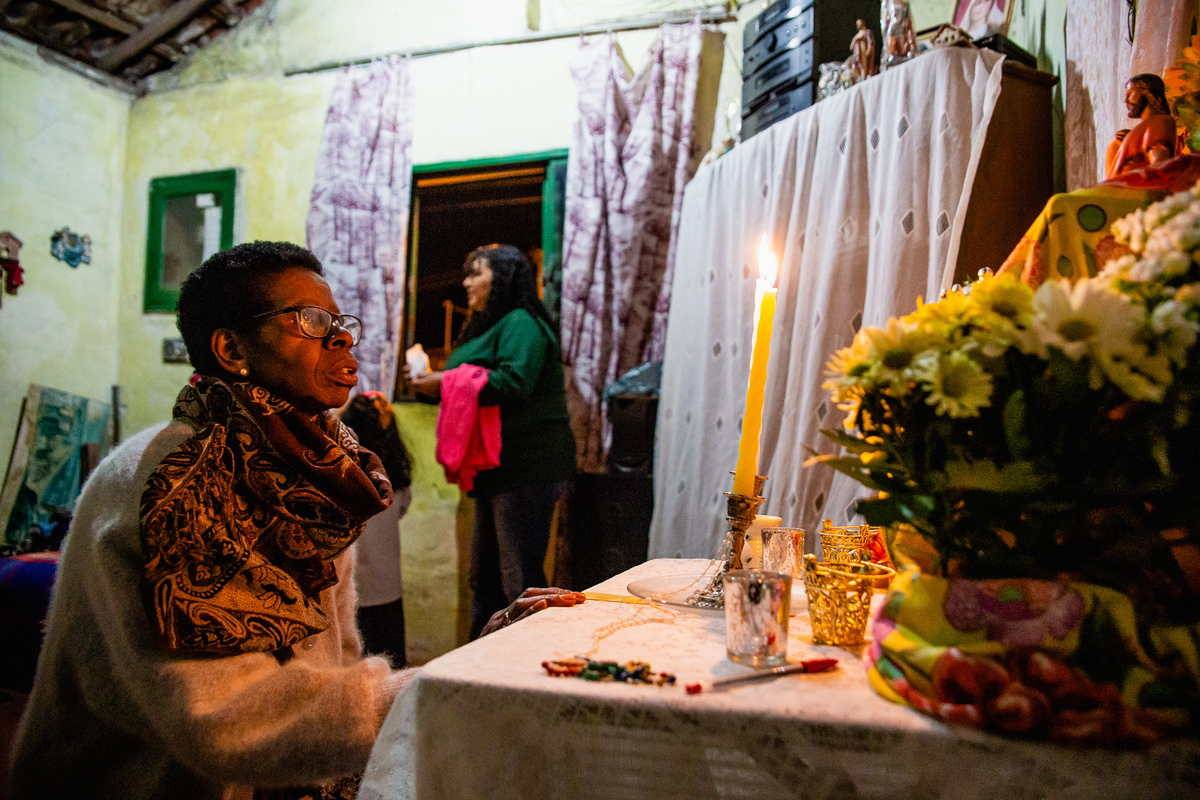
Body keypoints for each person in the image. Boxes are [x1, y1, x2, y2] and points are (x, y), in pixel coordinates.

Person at [9, 241, 583, 800]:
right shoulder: (176, 479)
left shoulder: (314, 477)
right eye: (310, 320)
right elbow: (233, 720)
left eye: (341, 322)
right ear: (232, 350)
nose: (342, 337)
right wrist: (452, 680)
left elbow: (333, 669)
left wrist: (474, 659)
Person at [408, 244, 576, 639]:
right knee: (483, 580)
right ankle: (479, 662)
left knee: (518, 581)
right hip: (494, 469)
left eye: (476, 273)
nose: (466, 282)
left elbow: (514, 382)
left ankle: (524, 664)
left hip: (526, 465)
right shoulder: (487, 327)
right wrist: (433, 383)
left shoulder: (520, 322)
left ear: (501, 278)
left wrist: (444, 381)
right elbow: (475, 382)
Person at [339, 391, 413, 667]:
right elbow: (402, 510)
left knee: (355, 664)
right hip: (388, 588)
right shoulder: (397, 483)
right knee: (391, 664)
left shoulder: (339, 481)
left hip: (352, 589)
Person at [1105, 73, 1179, 179]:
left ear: (1147, 92)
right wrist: (1115, 144)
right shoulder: (1140, 130)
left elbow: (1159, 167)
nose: (1126, 100)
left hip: (1135, 188)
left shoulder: (1160, 121)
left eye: (1130, 93)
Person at [847, 18, 876, 83]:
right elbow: (851, 47)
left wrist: (869, 49)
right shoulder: (857, 35)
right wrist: (855, 39)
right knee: (854, 68)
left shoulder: (867, 32)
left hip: (864, 53)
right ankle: (861, 79)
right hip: (857, 55)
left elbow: (870, 42)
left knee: (864, 68)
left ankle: (864, 79)